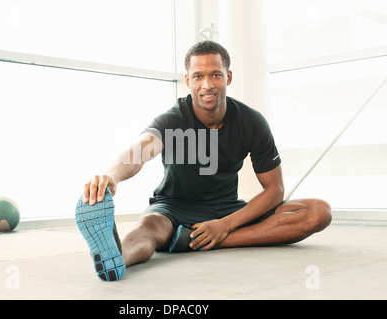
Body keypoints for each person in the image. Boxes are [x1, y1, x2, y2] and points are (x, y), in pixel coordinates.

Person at [77, 40, 332, 281]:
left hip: (227, 209)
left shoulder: (251, 122)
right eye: (198, 76)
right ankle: (116, 256)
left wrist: (224, 226)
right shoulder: (173, 119)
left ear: (228, 77)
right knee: (149, 227)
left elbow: (275, 190)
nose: (207, 84)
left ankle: (192, 240)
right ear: (188, 80)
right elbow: (138, 152)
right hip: (174, 208)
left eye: (216, 75)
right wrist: (111, 174)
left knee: (318, 212)